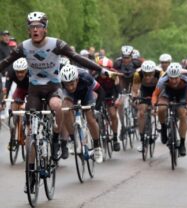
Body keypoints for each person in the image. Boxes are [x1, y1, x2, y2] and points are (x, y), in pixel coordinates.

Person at [0, 11, 112, 162]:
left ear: (45, 28)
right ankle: (31, 175)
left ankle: (55, 139)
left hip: (53, 87)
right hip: (34, 90)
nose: (35, 30)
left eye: (39, 26)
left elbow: (76, 57)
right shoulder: (23, 47)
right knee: (30, 131)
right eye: (32, 26)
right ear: (28, 29)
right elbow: (6, 62)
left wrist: (99, 69)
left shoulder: (56, 44)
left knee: (57, 105)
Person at [60, 64, 105, 162]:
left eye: (72, 83)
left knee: (90, 118)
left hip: (86, 94)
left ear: (77, 79)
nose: (70, 87)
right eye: (67, 84)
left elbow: (101, 91)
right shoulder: (59, 81)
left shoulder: (85, 77)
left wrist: (96, 107)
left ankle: (97, 147)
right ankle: (72, 139)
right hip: (70, 96)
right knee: (65, 110)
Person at [152, 62, 187, 156]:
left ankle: (182, 144)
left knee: (182, 114)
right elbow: (155, 94)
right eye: (171, 78)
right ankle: (163, 128)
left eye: (176, 78)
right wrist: (154, 105)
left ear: (180, 76)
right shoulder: (163, 79)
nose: (174, 81)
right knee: (162, 108)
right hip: (167, 92)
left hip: (182, 93)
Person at [131, 60, 159, 152]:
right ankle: (142, 138)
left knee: (158, 108)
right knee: (141, 113)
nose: (147, 77)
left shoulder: (160, 74)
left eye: (150, 74)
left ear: (154, 72)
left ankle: (157, 126)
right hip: (144, 91)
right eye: (145, 74)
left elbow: (164, 90)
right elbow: (135, 90)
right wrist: (135, 98)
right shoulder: (137, 74)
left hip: (157, 90)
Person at [3, 58, 29, 148]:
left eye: (22, 72)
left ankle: (26, 126)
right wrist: (3, 101)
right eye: (17, 72)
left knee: (27, 107)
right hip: (20, 89)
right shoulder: (11, 72)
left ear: (26, 70)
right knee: (13, 112)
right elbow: (7, 88)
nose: (19, 74)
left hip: (31, 89)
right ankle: (12, 138)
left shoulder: (31, 72)